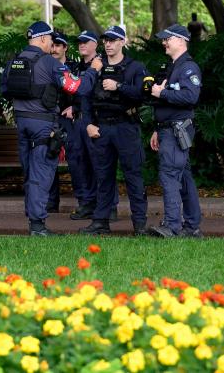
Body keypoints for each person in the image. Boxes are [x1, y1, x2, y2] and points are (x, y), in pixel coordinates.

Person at [0, 21, 101, 236]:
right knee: (41, 174)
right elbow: (76, 86)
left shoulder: (14, 62)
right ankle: (37, 225)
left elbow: (5, 90)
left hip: (21, 123)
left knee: (29, 173)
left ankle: (33, 218)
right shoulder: (49, 63)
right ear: (43, 39)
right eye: (51, 41)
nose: (52, 45)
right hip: (42, 126)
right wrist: (92, 71)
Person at [77, 25, 148, 236]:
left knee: (133, 176)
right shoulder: (96, 66)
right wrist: (88, 123)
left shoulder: (135, 67)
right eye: (106, 40)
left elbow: (143, 95)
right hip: (102, 127)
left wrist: (118, 87)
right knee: (103, 176)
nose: (108, 44)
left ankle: (140, 224)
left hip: (126, 126)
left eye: (113, 40)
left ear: (122, 42)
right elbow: (85, 97)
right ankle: (100, 222)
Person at [148, 24, 203, 238]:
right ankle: (191, 226)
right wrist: (156, 128)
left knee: (170, 174)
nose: (164, 43)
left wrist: (162, 94)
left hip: (176, 131)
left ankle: (171, 226)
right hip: (169, 129)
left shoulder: (188, 67)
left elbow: (191, 97)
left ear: (180, 40)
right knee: (184, 177)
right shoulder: (174, 66)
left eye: (167, 39)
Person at [69, 30, 119, 221]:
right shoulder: (75, 67)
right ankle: (87, 204)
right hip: (78, 120)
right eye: (79, 42)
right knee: (79, 164)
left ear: (94, 45)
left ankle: (110, 206)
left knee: (101, 164)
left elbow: (99, 93)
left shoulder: (102, 65)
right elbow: (73, 91)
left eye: (85, 42)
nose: (81, 45)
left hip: (95, 121)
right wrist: (72, 105)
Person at [46, 32, 77, 213]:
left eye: (59, 45)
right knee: (49, 159)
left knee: (75, 159)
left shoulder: (74, 67)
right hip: (50, 120)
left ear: (65, 47)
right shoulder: (45, 66)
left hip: (69, 120)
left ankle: (83, 201)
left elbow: (82, 91)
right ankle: (51, 202)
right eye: (53, 45)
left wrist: (75, 107)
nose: (55, 48)